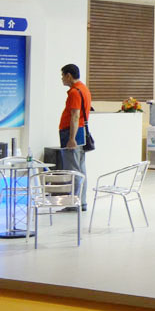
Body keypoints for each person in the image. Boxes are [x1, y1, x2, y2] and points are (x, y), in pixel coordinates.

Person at [59, 64, 91, 211]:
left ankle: (74, 204)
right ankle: (81, 202)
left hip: (72, 133)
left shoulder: (74, 92)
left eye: (62, 75)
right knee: (80, 169)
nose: (62, 79)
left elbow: (75, 115)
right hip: (81, 132)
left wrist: (71, 138)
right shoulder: (84, 89)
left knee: (72, 170)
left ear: (69, 76)